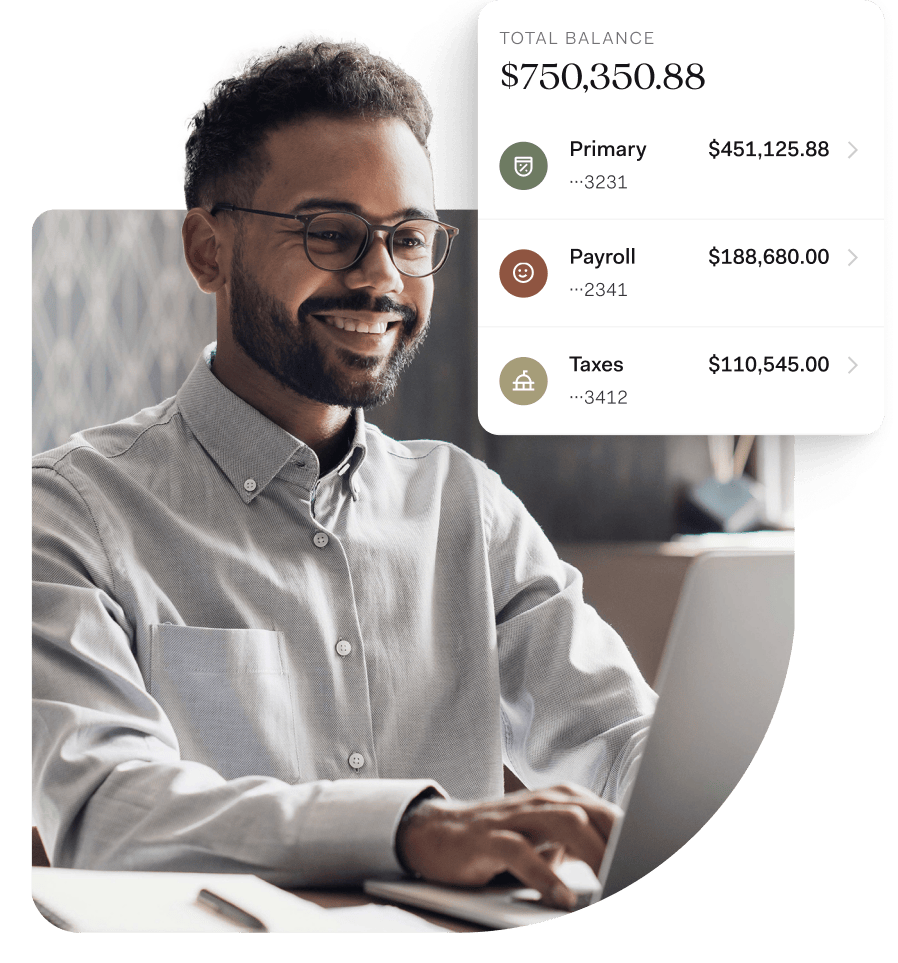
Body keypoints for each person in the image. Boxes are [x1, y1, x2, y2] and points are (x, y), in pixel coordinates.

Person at [31, 31, 656, 912]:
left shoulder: (466, 509)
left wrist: (686, 780)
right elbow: (103, 809)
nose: (382, 278)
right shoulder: (67, 514)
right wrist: (410, 828)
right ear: (209, 250)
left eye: (408, 237)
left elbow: (624, 738)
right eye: (332, 233)